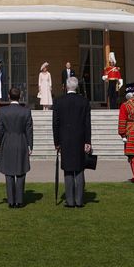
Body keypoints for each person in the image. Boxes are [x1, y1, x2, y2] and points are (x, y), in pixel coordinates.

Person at [53, 76, 92, 208]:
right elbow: (88, 123)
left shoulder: (59, 101)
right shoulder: (84, 101)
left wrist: (56, 141)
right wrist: (88, 140)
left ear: (66, 86)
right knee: (79, 168)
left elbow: (55, 124)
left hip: (65, 138)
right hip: (80, 138)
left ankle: (70, 200)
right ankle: (79, 200)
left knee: (68, 170)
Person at [0, 87, 33, 208]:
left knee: (9, 173)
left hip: (8, 141)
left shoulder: (3, 111)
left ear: (8, 96)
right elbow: (29, 130)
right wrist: (30, 145)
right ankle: (19, 200)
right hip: (21, 141)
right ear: (20, 96)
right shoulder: (26, 111)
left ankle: (11, 201)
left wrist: (1, 142)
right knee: (21, 172)